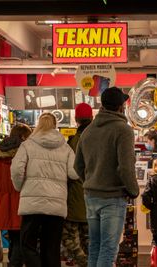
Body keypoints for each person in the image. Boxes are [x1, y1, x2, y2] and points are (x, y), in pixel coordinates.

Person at [74, 87, 139, 267]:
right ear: (121, 106)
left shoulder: (88, 131)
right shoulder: (123, 130)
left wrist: (90, 181)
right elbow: (126, 167)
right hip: (112, 197)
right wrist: (133, 190)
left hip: (90, 196)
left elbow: (77, 165)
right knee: (109, 249)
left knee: (95, 247)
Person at [11, 113, 79, 267]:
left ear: (39, 124)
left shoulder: (27, 145)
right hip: (56, 205)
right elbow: (74, 173)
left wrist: (19, 187)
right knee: (52, 248)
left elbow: (16, 170)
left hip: (32, 204)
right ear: (55, 125)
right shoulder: (65, 148)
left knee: (27, 244)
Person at [0, 124, 32, 267]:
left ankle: (12, 263)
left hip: (2, 205)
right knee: (20, 241)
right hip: (22, 204)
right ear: (24, 137)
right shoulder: (26, 157)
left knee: (13, 239)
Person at [62, 103, 93, 267]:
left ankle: (83, 262)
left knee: (71, 239)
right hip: (94, 197)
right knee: (91, 240)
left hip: (75, 197)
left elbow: (70, 171)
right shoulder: (98, 139)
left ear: (76, 119)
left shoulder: (72, 142)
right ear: (92, 118)